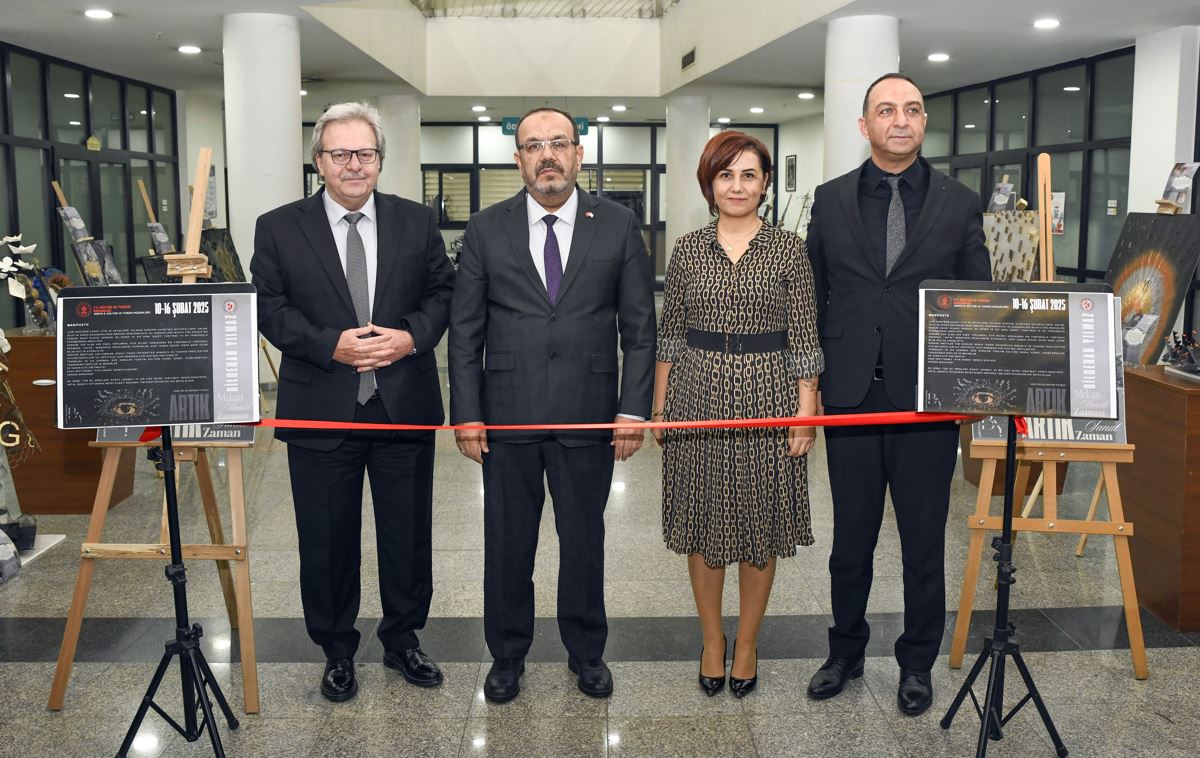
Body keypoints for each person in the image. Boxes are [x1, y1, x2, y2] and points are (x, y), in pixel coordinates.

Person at [448, 107, 656, 703]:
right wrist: (466, 412)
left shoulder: (616, 225)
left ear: (578, 154)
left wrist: (632, 409)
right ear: (517, 160)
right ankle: (507, 655)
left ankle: (586, 652)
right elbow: (465, 333)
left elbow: (640, 329)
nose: (547, 156)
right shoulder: (487, 228)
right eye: (533, 145)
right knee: (508, 544)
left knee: (584, 541)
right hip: (507, 415)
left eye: (558, 143)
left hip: (590, 415)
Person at [251, 101, 455, 703]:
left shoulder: (418, 223)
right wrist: (327, 346)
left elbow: (445, 291)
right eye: (340, 154)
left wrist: (412, 335)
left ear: (379, 160)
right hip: (320, 408)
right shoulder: (279, 226)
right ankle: (337, 649)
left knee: (408, 535)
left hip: (403, 407)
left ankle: (403, 639)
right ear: (319, 162)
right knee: (327, 538)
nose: (353, 165)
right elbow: (268, 306)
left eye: (364, 154)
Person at [804, 74, 991, 716]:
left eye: (912, 110)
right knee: (850, 539)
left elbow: (977, 302)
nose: (901, 120)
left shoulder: (959, 202)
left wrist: (972, 390)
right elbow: (815, 295)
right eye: (887, 110)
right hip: (851, 395)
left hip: (926, 402)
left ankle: (917, 664)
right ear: (865, 125)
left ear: (923, 123)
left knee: (922, 541)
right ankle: (844, 653)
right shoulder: (828, 203)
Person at [652, 130, 823, 699]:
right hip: (696, 398)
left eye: (749, 174)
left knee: (758, 528)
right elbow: (669, 335)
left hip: (768, 399)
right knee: (703, 523)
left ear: (766, 184)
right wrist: (659, 407)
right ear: (710, 183)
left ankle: (746, 643)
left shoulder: (789, 251)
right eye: (726, 174)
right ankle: (711, 640)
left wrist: (805, 412)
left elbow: (804, 336)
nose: (737, 185)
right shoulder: (688, 249)